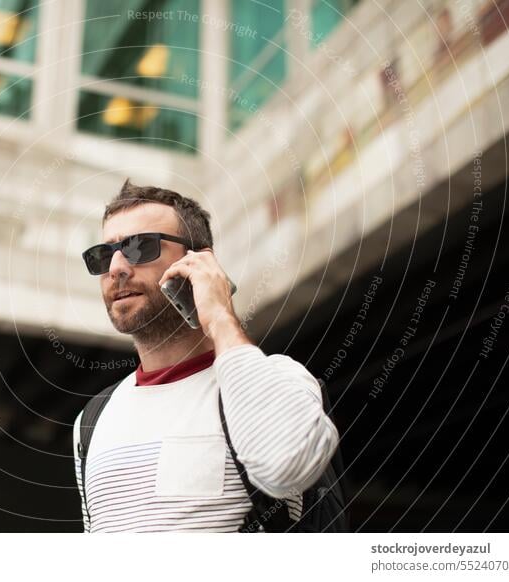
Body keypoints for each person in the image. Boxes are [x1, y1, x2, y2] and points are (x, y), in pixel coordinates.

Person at [73, 179, 339, 532]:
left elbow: (286, 466)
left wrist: (218, 314)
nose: (117, 268)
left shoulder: (281, 381)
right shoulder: (91, 421)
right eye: (103, 255)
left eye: (140, 247)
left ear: (199, 263)